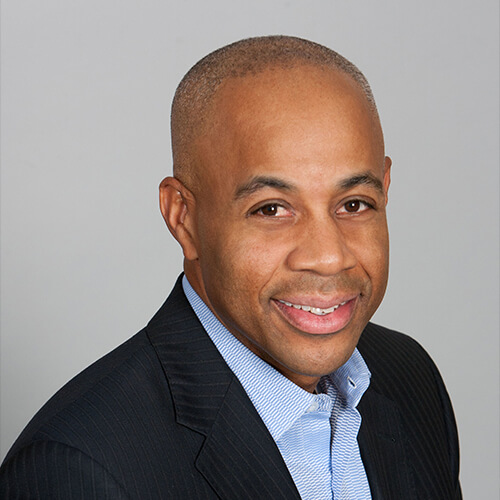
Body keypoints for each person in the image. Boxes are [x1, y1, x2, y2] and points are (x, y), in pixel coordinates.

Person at [0, 36, 461, 499]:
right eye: (271, 210)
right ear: (183, 217)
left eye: (354, 204)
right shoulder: (78, 469)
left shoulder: (409, 376)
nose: (328, 256)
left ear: (386, 188)